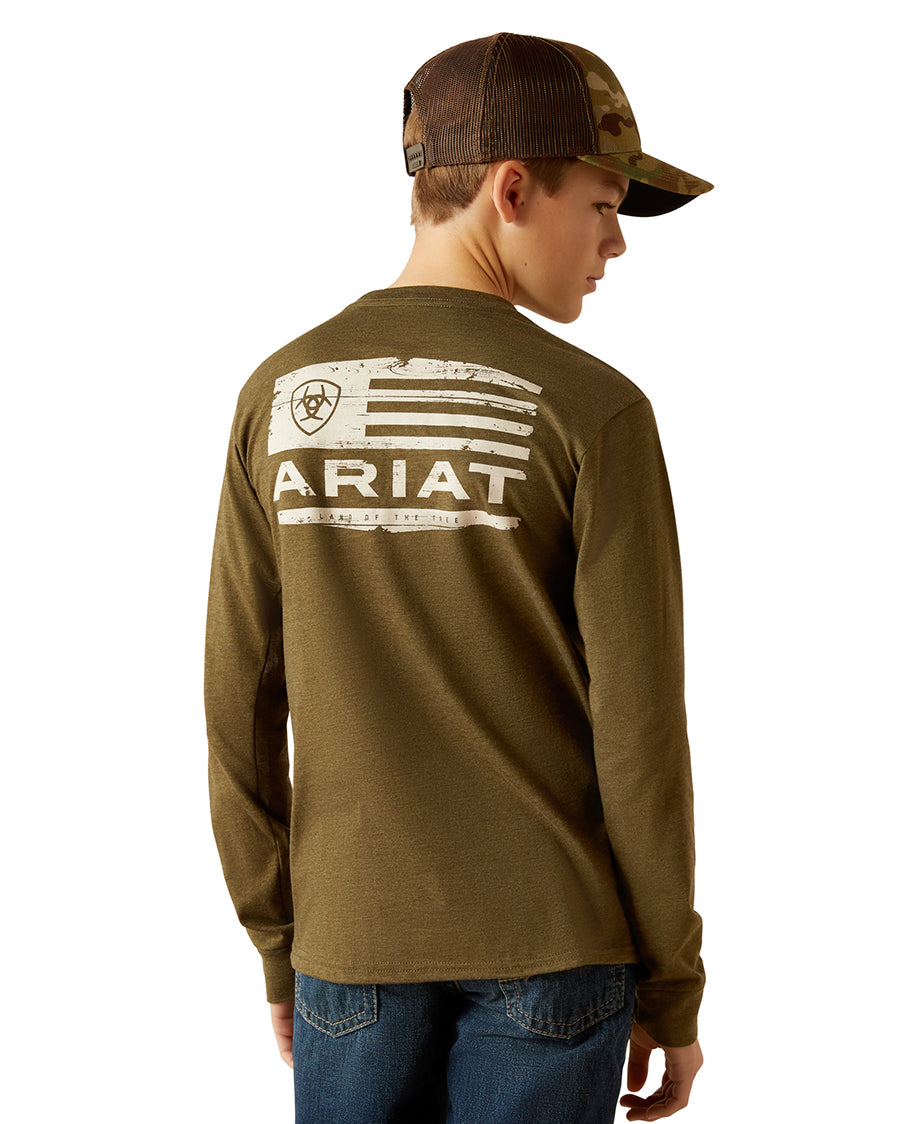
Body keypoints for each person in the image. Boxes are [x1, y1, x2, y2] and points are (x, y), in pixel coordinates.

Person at [205, 31, 712, 1124]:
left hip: (350, 949)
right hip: (557, 949)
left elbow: (237, 698)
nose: (616, 242)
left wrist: (280, 942)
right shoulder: (593, 410)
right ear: (513, 189)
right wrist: (672, 984)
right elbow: (639, 732)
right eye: (604, 203)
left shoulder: (279, 397)